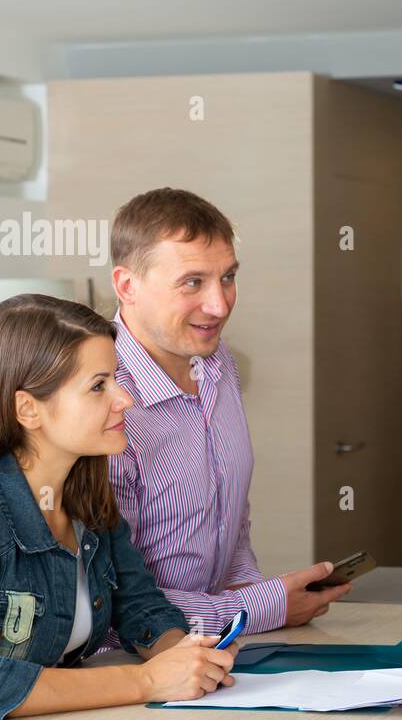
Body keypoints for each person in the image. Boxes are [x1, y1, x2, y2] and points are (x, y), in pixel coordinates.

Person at [0, 295, 234, 720]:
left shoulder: (87, 499)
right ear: (28, 409)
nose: (124, 399)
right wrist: (145, 682)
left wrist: (186, 656)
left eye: (117, 379)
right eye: (99, 385)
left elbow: (142, 607)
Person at [103, 188, 349, 650]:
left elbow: (229, 517)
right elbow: (114, 607)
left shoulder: (218, 362)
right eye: (192, 282)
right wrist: (262, 607)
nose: (220, 305)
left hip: (219, 649)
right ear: (127, 286)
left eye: (228, 277)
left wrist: (251, 598)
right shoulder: (101, 398)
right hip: (131, 666)